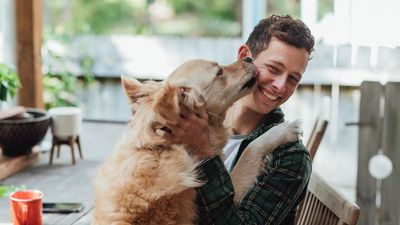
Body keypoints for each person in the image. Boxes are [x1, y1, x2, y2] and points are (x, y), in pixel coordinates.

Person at [160, 15, 315, 224]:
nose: (280, 85)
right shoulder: (193, 120)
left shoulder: (288, 156)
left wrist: (203, 152)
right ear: (245, 56)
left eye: (293, 78)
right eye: (274, 69)